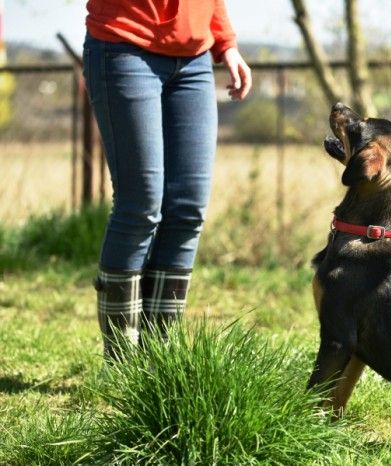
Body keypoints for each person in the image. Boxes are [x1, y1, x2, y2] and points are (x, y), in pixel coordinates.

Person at [83, 0, 252, 359]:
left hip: (194, 60)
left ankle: (159, 357)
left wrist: (226, 43)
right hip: (124, 44)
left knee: (188, 208)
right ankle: (123, 362)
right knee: (140, 206)